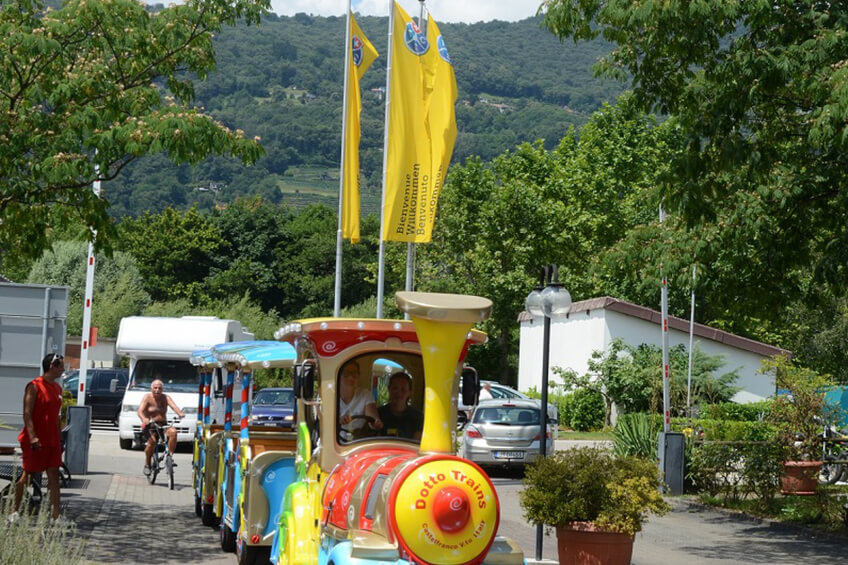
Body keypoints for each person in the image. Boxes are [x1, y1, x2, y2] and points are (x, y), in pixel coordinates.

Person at [12, 353, 69, 524]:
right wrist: (32, 437)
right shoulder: (34, 386)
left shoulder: (57, 388)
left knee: (54, 475)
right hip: (36, 441)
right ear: (52, 366)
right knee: (28, 475)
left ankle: (55, 517)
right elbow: (27, 413)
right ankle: (14, 512)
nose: (63, 369)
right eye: (61, 366)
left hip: (52, 440)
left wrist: (59, 437)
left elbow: (56, 416)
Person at [137, 379, 184, 476]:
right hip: (150, 425)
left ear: (162, 389)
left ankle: (170, 456)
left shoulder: (165, 397)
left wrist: (180, 413)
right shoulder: (147, 397)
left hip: (163, 424)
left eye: (159, 388)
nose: (157, 390)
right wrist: (144, 419)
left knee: (173, 432)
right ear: (151, 388)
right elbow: (140, 411)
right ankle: (147, 464)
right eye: (155, 388)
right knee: (152, 442)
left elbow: (174, 407)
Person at [338, 361, 381, 438]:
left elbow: (372, 417)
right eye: (346, 373)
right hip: (335, 440)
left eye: (354, 374)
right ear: (338, 375)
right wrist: (338, 421)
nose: (351, 377)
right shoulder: (330, 396)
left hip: (359, 440)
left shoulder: (365, 394)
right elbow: (325, 422)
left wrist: (375, 423)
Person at [378, 372, 424, 440]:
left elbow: (416, 443)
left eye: (403, 389)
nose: (398, 392)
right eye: (395, 388)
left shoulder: (418, 416)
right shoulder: (378, 414)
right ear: (389, 389)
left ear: (409, 392)